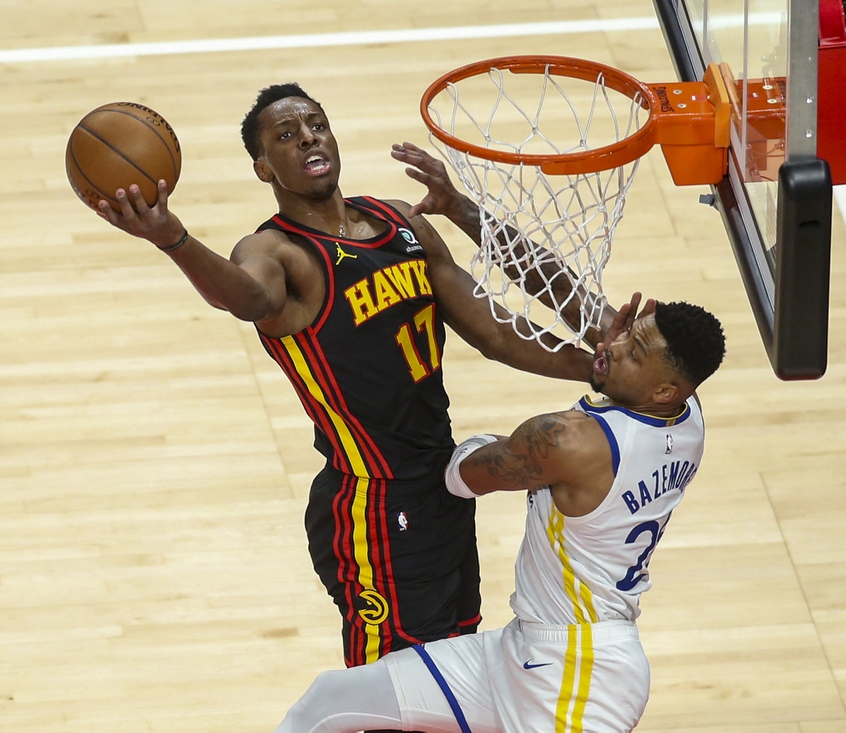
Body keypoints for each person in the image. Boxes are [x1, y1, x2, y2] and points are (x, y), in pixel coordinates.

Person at [93, 83, 602, 670]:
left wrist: (593, 368)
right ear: (263, 169)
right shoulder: (278, 252)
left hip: (441, 485)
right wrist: (174, 241)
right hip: (372, 505)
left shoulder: (400, 222)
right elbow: (247, 296)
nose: (308, 135)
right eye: (286, 135)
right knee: (398, 693)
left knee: (455, 672)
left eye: (316, 123)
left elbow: (495, 333)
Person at [274, 294, 726, 732]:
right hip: (521, 651)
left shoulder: (570, 443)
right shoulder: (688, 415)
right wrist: (463, 214)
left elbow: (459, 478)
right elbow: (566, 292)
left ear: (664, 389)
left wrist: (480, 443)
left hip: (581, 678)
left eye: (634, 350)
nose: (615, 344)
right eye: (628, 334)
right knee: (329, 700)